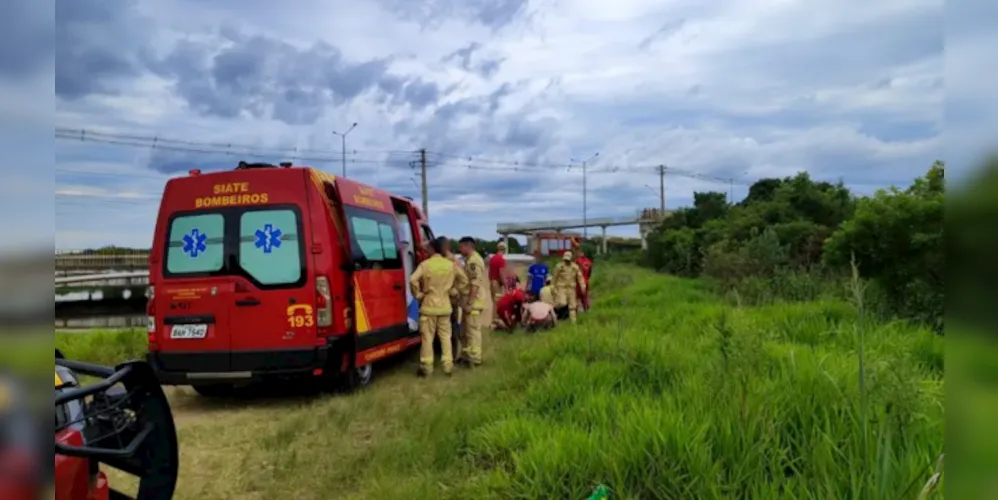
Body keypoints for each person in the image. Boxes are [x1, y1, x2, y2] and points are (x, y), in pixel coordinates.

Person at [409, 237, 459, 376]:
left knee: (427, 338)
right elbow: (461, 280)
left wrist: (418, 294)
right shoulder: (450, 265)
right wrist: (454, 293)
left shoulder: (425, 265)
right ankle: (448, 366)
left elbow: (412, 279)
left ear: (432, 249)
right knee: (445, 337)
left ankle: (426, 367)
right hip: (445, 307)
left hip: (428, 307)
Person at [457, 236, 488, 367]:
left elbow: (474, 284)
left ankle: (475, 358)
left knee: (473, 330)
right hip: (469, 301)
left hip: (474, 302)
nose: (460, 249)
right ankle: (465, 356)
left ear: (469, 246)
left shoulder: (474, 261)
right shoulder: (468, 260)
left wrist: (469, 302)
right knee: (464, 330)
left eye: (461, 246)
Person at [442, 238, 469, 358]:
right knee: (450, 328)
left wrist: (455, 292)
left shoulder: (452, 261)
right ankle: (450, 355)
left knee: (450, 329)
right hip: (449, 299)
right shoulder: (455, 261)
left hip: (448, 300)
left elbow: (463, 280)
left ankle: (451, 355)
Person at [552, 251, 586, 324]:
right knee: (562, 303)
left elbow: (580, 277)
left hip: (571, 288)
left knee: (573, 306)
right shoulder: (559, 266)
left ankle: (573, 323)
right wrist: (553, 287)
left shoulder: (575, 267)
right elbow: (554, 277)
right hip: (561, 288)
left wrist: (583, 285)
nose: (567, 260)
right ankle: (553, 309)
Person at [488, 241, 507, 322]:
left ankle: (494, 320)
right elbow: (501, 274)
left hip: (492, 281)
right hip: (497, 283)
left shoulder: (492, 259)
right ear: (504, 249)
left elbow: (489, 272)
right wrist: (506, 285)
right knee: (498, 303)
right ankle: (495, 321)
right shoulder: (501, 260)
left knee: (494, 303)